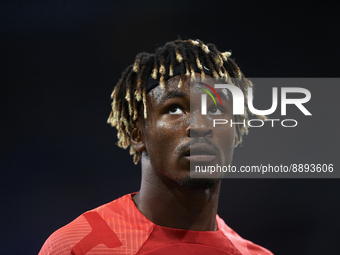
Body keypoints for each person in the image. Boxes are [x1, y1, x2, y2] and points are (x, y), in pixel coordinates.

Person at [39, 39, 273, 254]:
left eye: (216, 110)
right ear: (138, 135)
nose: (200, 125)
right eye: (174, 109)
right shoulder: (78, 247)